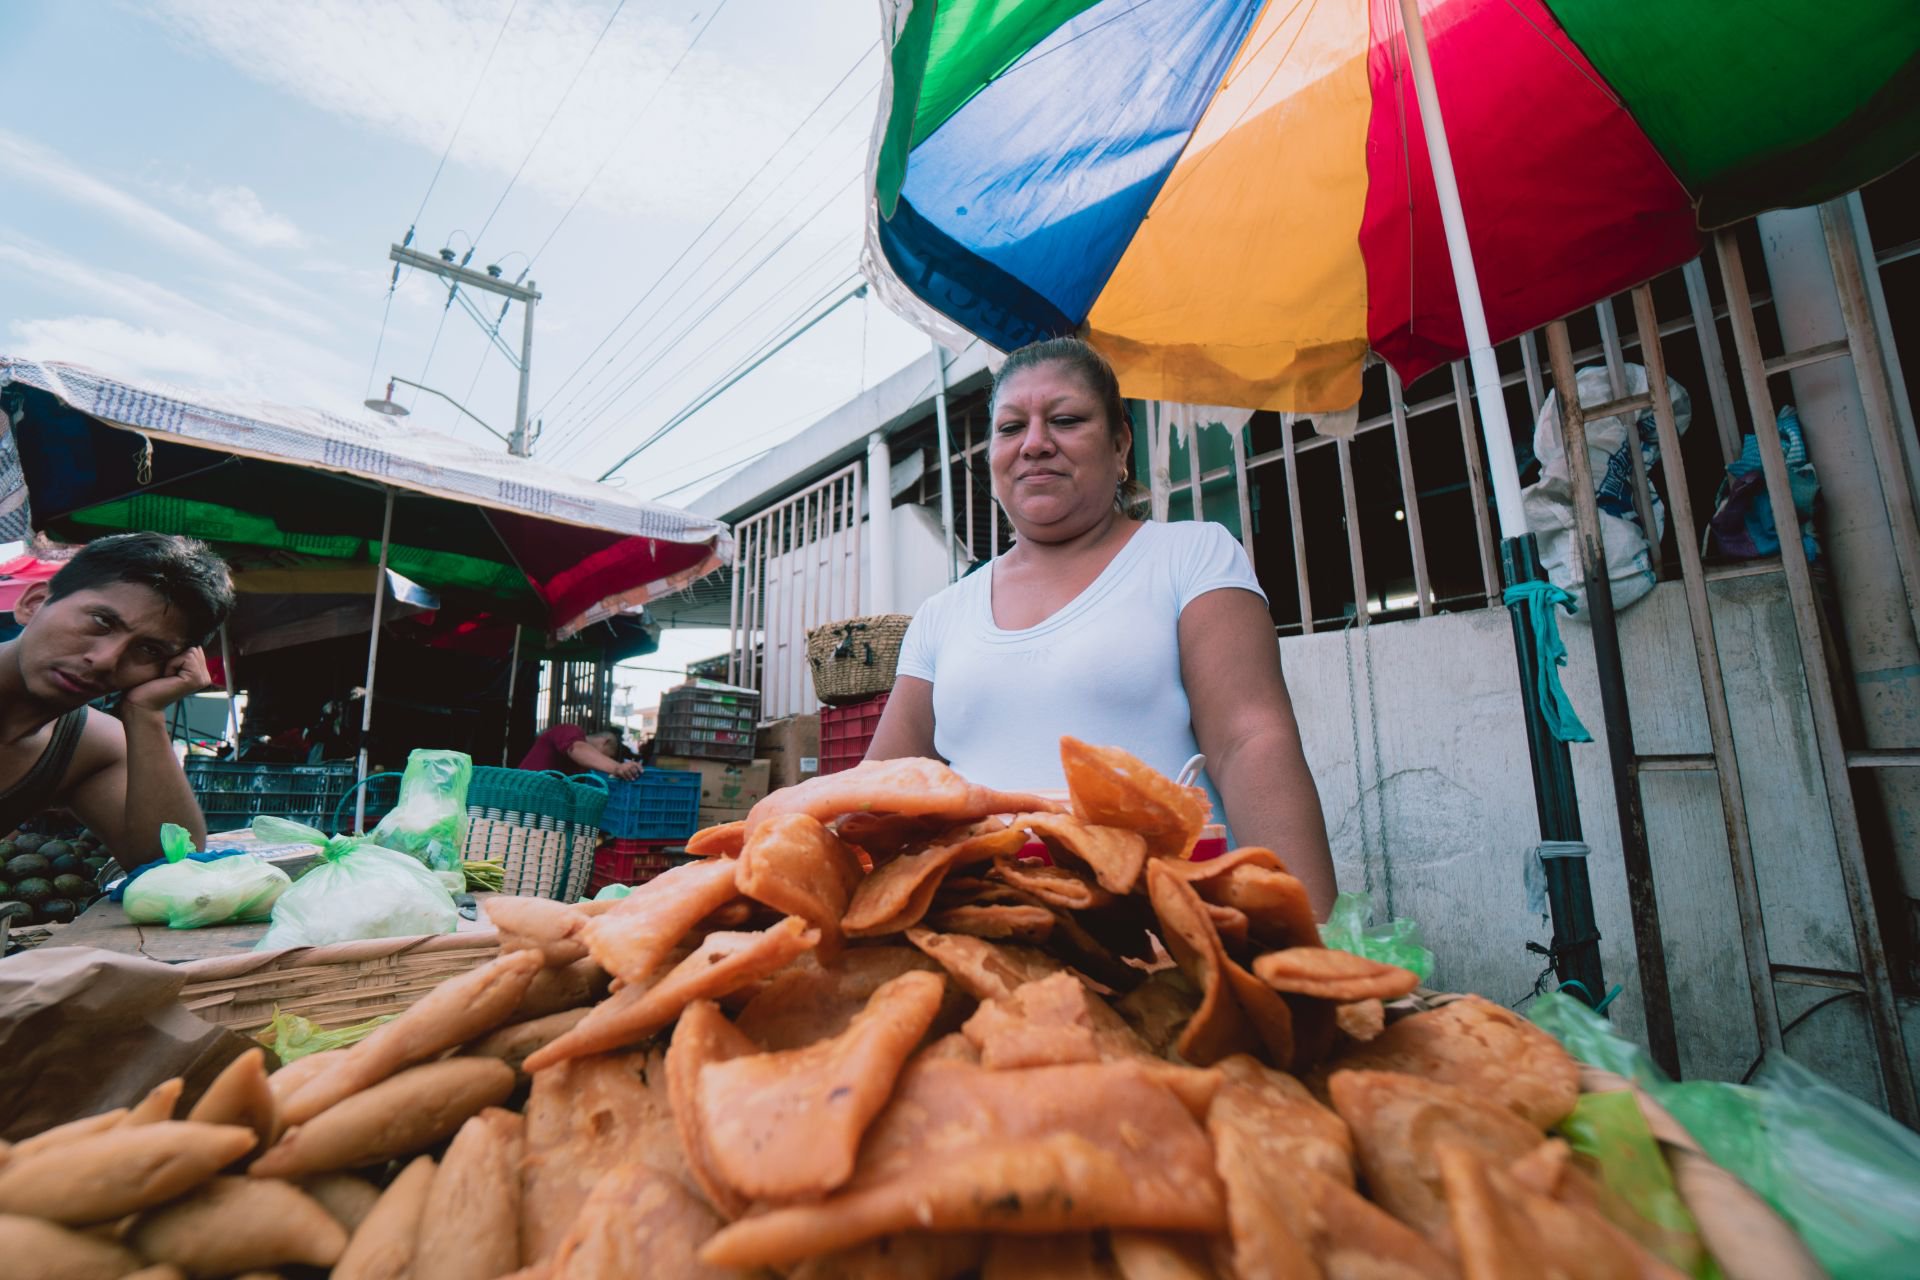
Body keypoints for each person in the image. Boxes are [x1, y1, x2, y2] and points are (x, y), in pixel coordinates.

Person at [865, 337, 1338, 916]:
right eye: (1011, 428)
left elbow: (1249, 742)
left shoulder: (1190, 556)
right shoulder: (941, 614)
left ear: (1120, 443)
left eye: (1065, 420)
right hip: (984, 933)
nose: (1035, 444)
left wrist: (1314, 933)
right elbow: (882, 785)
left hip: (1166, 939)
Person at [0, 533, 235, 872]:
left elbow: (172, 867)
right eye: (101, 622)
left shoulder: (88, 747)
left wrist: (146, 713)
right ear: (34, 603)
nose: (106, 659)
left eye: (149, 650)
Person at [518, 723, 641, 780]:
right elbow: (577, 748)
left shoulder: (584, 768)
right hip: (522, 793)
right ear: (605, 742)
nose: (604, 762)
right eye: (609, 756)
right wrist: (617, 767)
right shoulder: (571, 730)